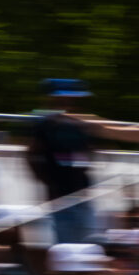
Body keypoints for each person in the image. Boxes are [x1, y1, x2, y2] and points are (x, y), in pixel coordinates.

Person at [25, 80, 102, 246]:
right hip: (60, 195)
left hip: (82, 192)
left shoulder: (81, 122)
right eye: (64, 98)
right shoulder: (45, 123)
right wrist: (48, 184)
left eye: (73, 98)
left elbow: (89, 151)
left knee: (89, 240)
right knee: (66, 243)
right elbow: (32, 154)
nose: (69, 102)